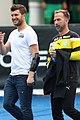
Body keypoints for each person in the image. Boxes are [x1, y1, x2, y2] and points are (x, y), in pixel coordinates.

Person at [0, 4, 40, 120]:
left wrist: (31, 75)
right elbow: (3, 52)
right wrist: (1, 43)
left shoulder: (29, 32)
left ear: (24, 15)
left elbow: (36, 56)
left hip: (24, 76)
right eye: (12, 15)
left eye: (16, 14)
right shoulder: (13, 33)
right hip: (12, 76)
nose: (13, 17)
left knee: (25, 108)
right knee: (7, 104)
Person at [43, 9, 80, 120]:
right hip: (56, 78)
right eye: (54, 20)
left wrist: (59, 55)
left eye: (59, 19)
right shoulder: (54, 40)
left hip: (69, 77)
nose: (56, 22)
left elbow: (78, 55)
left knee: (68, 109)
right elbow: (50, 59)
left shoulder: (74, 36)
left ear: (67, 20)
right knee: (56, 112)